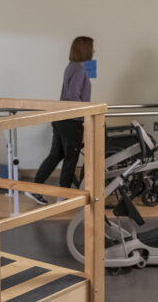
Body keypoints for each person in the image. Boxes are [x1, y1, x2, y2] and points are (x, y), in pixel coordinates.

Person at [27, 36, 93, 205]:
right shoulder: (79, 69)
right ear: (85, 49)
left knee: (56, 155)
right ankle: (63, 195)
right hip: (72, 120)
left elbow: (86, 86)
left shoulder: (72, 66)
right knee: (71, 158)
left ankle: (36, 188)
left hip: (61, 118)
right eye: (91, 48)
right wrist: (86, 113)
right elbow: (72, 97)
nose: (94, 51)